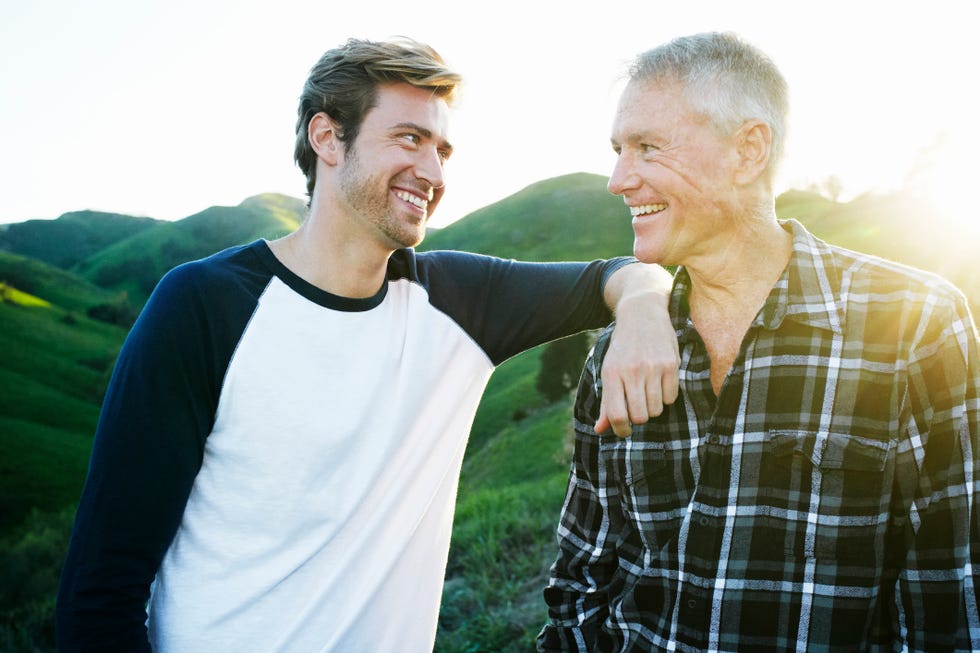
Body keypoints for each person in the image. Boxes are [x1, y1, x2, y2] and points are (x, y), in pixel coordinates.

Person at [54, 38, 680, 652]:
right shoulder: (203, 305)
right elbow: (101, 589)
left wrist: (646, 305)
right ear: (327, 138)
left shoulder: (460, 303)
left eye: (442, 150)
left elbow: (616, 273)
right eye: (409, 138)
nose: (433, 172)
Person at [539, 31, 980, 652]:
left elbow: (951, 591)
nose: (618, 179)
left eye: (647, 147)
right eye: (617, 149)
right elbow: (581, 576)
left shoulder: (915, 324)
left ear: (748, 152)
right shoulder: (620, 350)